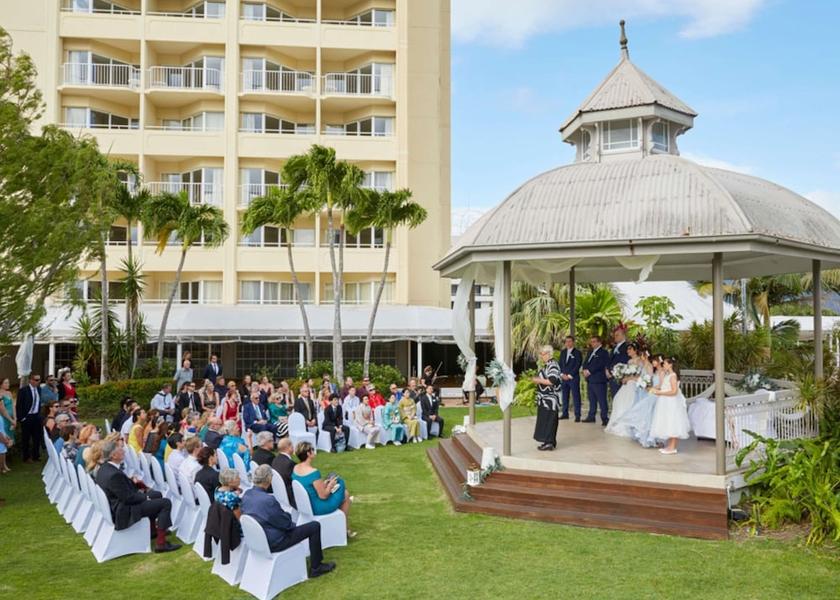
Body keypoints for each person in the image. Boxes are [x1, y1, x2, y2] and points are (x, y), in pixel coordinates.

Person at [242, 464, 336, 577]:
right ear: (269, 479)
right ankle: (316, 567)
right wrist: (287, 516)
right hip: (275, 541)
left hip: (256, 540)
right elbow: (285, 524)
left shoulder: (247, 495)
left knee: (300, 525)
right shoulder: (268, 500)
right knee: (314, 526)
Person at [96, 441, 181, 552]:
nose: (124, 450)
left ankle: (153, 531)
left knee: (157, 494)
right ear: (113, 455)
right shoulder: (114, 474)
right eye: (120, 449)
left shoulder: (104, 468)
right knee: (165, 503)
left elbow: (120, 489)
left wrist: (135, 484)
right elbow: (128, 498)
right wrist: (145, 497)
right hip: (124, 510)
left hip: (121, 504)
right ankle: (161, 543)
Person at [292, 442, 354, 537]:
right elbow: (323, 496)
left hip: (306, 505)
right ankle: (344, 529)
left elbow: (309, 486)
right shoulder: (313, 472)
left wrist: (324, 484)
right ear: (308, 453)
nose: (314, 451)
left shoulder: (296, 468)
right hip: (318, 507)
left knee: (345, 495)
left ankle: (344, 528)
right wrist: (331, 485)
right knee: (340, 482)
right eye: (312, 449)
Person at [649, 357, 692, 455]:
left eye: (664, 363)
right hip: (666, 401)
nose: (663, 365)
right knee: (668, 422)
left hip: (671, 402)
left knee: (673, 423)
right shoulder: (667, 375)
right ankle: (670, 446)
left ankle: (672, 447)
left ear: (670, 364)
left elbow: (674, 391)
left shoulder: (673, 376)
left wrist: (660, 393)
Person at [605, 342, 644, 434]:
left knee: (629, 403)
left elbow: (640, 376)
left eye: (630, 349)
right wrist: (622, 377)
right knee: (618, 400)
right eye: (627, 349)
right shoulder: (629, 361)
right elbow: (627, 372)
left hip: (634, 385)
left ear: (635, 350)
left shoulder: (640, 361)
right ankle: (619, 423)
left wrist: (629, 378)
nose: (628, 351)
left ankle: (629, 426)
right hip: (626, 384)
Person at [532, 345, 562, 451]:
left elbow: (551, 381)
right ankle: (547, 441)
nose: (541, 356)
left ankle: (549, 442)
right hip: (545, 399)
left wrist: (538, 380)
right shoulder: (547, 365)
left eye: (543, 354)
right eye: (541, 354)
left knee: (550, 420)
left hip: (550, 400)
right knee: (545, 420)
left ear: (549, 354)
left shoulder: (553, 365)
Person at [582, 336, 610, 426]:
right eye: (591, 342)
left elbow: (601, 364)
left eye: (594, 341)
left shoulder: (604, 352)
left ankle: (604, 418)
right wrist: (584, 370)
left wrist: (589, 371)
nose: (592, 343)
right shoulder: (590, 351)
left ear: (599, 342)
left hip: (599, 379)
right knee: (592, 399)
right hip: (590, 380)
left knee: (602, 400)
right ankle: (591, 416)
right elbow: (585, 362)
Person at [15, 373, 42, 463]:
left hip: (36, 417)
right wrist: (22, 418)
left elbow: (38, 402)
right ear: (31, 380)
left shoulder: (38, 389)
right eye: (36, 380)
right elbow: (19, 405)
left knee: (37, 437)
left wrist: (39, 415)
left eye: (39, 380)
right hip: (27, 417)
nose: (38, 382)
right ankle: (26, 457)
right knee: (26, 438)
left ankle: (36, 456)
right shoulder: (23, 390)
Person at [559, 336, 583, 421]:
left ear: (573, 342)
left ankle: (577, 415)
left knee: (576, 396)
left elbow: (578, 365)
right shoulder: (563, 352)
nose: (568, 343)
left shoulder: (577, 353)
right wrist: (562, 374)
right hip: (563, 378)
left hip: (573, 378)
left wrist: (569, 375)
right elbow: (560, 364)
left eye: (569, 341)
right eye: (566, 341)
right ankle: (565, 414)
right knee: (564, 397)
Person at [270, 437, 297, 508]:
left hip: (278, 492)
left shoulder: (275, 459)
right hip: (290, 496)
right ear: (289, 447)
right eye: (292, 446)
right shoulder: (290, 463)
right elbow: (297, 481)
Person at [608, 324, 630, 398]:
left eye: (617, 335)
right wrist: (607, 370)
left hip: (620, 377)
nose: (615, 337)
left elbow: (625, 361)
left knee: (620, 398)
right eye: (615, 335)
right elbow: (609, 360)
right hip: (611, 377)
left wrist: (614, 371)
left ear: (623, 335)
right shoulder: (614, 348)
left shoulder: (627, 346)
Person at [0, 378, 16, 450]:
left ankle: (8, 454)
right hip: (5, 419)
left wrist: (15, 418)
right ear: (1, 384)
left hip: (12, 418)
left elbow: (13, 406)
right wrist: (11, 420)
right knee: (5, 437)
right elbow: (2, 409)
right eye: (6, 383)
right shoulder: (0, 394)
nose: (8, 384)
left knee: (11, 436)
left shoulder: (9, 393)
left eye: (8, 383)